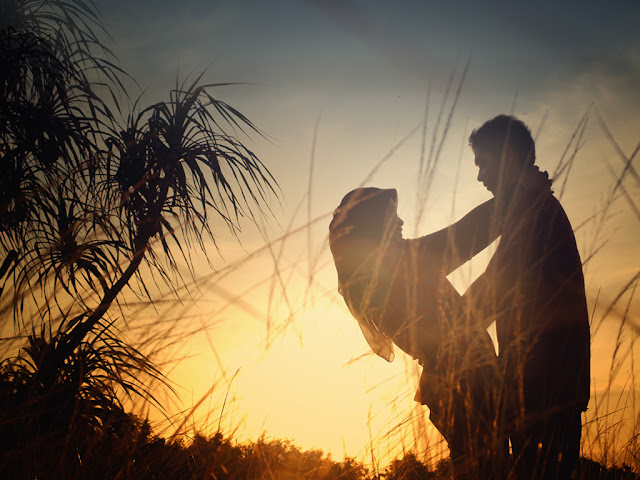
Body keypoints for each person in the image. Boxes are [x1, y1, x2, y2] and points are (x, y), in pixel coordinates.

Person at [329, 187, 510, 479]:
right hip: (464, 382)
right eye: (390, 217)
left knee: (481, 466)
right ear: (372, 227)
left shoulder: (372, 277)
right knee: (487, 467)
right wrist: (514, 195)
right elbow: (463, 238)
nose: (401, 223)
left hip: (456, 383)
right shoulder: (393, 265)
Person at [463, 115, 590, 479]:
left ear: (508, 158)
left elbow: (494, 286)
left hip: (543, 386)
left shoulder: (534, 210)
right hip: (546, 383)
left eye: (483, 163)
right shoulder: (535, 204)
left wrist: (443, 330)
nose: (480, 176)